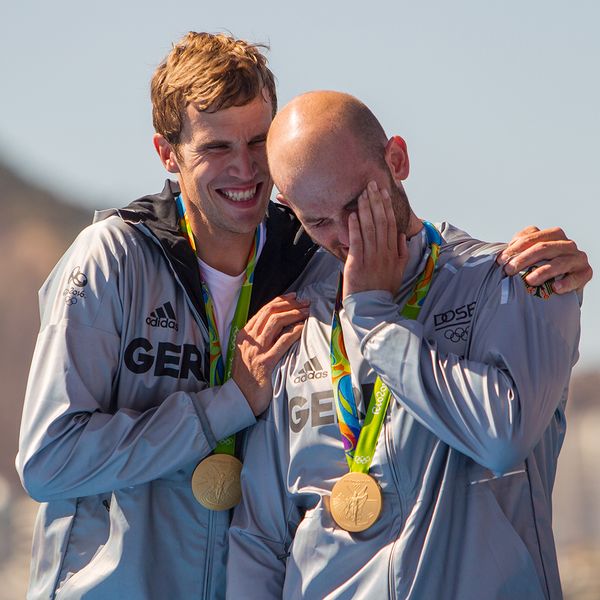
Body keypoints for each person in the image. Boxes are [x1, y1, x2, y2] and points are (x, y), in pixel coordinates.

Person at [15, 32, 590, 600]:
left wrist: (521, 266)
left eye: (259, 143)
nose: (245, 170)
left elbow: (419, 263)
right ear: (168, 153)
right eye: (216, 148)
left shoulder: (314, 270)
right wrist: (227, 405)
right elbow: (48, 462)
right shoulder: (112, 260)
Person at [227, 90, 583, 600]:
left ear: (397, 159)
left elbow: (503, 437)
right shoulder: (298, 323)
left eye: (356, 205)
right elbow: (260, 538)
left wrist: (374, 320)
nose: (346, 237)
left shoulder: (514, 279)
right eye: (318, 221)